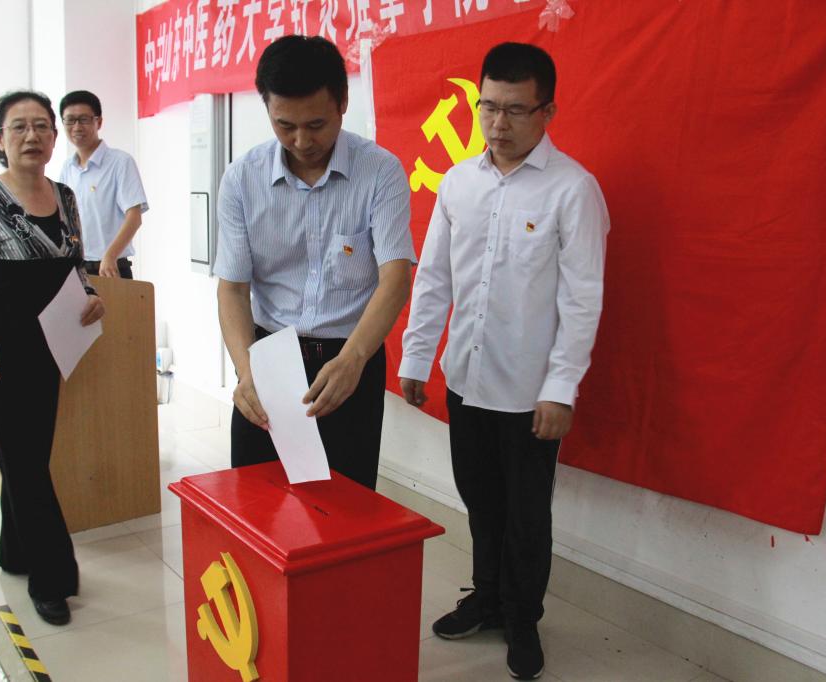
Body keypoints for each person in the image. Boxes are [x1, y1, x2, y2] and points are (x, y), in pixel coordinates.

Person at [398, 43, 609, 680]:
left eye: (516, 110)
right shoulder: (459, 183)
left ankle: (523, 619)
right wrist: (417, 356)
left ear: (547, 111)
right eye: (489, 107)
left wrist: (561, 388)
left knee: (526, 515)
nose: (498, 123)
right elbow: (434, 277)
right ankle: (486, 598)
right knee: (480, 501)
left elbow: (582, 299)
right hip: (467, 378)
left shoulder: (573, 190)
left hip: (529, 393)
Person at [0, 90, 105, 626]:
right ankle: (52, 578)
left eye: (41, 126)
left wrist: (89, 295)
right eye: (19, 127)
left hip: (51, 348)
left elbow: (73, 264)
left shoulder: (65, 196)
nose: (32, 136)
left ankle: (14, 552)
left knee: (27, 458)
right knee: (28, 466)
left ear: (54, 136)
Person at [215, 35, 415, 490]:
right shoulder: (243, 179)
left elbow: (395, 278)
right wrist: (247, 371)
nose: (302, 141)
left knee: (344, 503)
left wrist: (354, 359)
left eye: (317, 125)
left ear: (343, 104)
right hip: (268, 356)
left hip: (349, 357)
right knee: (257, 500)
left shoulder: (379, 171)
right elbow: (232, 288)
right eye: (284, 125)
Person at [58, 90, 148, 279]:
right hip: (77, 268)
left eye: (84, 119)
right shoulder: (68, 168)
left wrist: (110, 256)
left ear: (98, 122)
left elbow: (134, 217)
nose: (77, 127)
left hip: (111, 268)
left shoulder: (120, 162)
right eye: (70, 120)